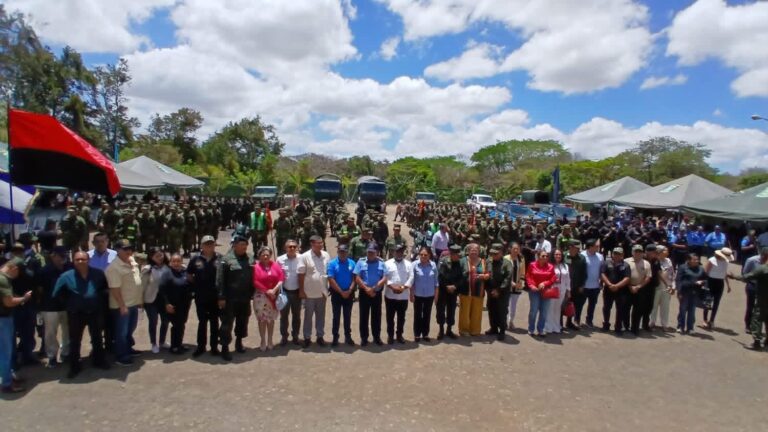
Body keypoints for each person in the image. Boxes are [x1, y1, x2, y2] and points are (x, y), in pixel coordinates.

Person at [52, 252, 110, 379]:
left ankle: (99, 361)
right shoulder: (66, 276)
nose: (80, 261)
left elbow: (105, 289)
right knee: (75, 341)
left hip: (94, 312)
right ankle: (75, 366)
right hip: (76, 314)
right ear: (73, 261)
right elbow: (57, 294)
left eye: (83, 259)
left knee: (97, 338)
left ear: (88, 260)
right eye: (77, 259)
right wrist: (70, 304)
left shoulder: (98, 273)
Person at [105, 239, 144, 366]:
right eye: (125, 249)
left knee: (130, 329)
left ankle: (128, 349)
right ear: (117, 250)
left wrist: (139, 300)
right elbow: (115, 289)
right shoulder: (114, 267)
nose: (129, 251)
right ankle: (121, 356)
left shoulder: (131, 260)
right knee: (121, 332)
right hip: (122, 306)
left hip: (133, 303)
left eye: (130, 248)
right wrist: (122, 306)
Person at [217, 236, 255, 361]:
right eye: (241, 244)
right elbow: (220, 279)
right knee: (227, 323)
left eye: (245, 244)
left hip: (244, 297)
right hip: (230, 298)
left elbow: (254, 276)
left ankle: (239, 342)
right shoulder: (226, 259)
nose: (243, 247)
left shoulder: (250, 258)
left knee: (243, 321)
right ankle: (225, 348)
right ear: (234, 245)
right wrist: (221, 297)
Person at [1, 258, 32, 393]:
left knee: (6, 351)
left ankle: (9, 377)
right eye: (19, 271)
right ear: (13, 268)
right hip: (2, 319)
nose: (18, 276)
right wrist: (24, 298)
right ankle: (7, 384)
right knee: (5, 353)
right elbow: (8, 302)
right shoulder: (3, 280)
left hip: (4, 318)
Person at [187, 235, 221, 357]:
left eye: (211, 244)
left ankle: (214, 347)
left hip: (215, 296)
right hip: (201, 296)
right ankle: (201, 347)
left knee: (214, 322)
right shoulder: (195, 259)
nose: (209, 246)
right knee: (202, 322)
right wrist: (195, 287)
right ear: (201, 246)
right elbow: (189, 274)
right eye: (206, 244)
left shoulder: (219, 258)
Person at [38, 246, 71, 368]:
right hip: (49, 307)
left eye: (65, 255)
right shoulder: (44, 271)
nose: (63, 258)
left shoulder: (70, 268)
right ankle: (52, 357)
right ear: (53, 256)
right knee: (50, 333)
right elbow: (40, 290)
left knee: (68, 331)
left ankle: (66, 354)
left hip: (67, 305)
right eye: (61, 255)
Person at [728, 247, 768, 350]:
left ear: (764, 256)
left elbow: (746, 276)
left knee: (757, 319)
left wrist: (734, 276)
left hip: (763, 299)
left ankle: (757, 343)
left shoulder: (763, 269)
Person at [298, 235, 331, 348]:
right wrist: (301, 291)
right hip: (309, 293)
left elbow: (328, 272)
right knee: (308, 316)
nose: (321, 245)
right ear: (312, 244)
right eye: (318, 243)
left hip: (322, 292)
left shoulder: (326, 255)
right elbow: (301, 275)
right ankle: (307, 337)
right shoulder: (304, 256)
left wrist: (328, 287)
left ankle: (320, 336)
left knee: (321, 316)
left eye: (322, 243)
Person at [88, 232, 117, 352]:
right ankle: (96, 346)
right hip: (95, 292)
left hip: (111, 291)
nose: (100, 244)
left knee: (111, 319)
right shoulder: (87, 256)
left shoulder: (115, 255)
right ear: (93, 243)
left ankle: (110, 344)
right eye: (97, 242)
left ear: (107, 242)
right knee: (96, 322)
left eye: (103, 241)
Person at [252, 246, 284, 352]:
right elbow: (255, 281)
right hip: (261, 297)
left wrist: (274, 290)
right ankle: (263, 340)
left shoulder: (275, 265)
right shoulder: (256, 267)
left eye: (267, 254)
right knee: (262, 320)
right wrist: (267, 291)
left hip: (273, 296)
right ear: (259, 256)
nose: (265, 256)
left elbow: (281, 278)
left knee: (271, 320)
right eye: (263, 254)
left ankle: (270, 340)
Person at [354, 243, 386, 346]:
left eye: (372, 252)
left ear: (377, 252)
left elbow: (385, 277)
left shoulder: (382, 262)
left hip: (376, 293)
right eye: (368, 252)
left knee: (376, 316)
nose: (370, 254)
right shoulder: (361, 261)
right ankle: (364, 338)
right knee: (364, 316)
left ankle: (376, 337)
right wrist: (366, 289)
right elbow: (357, 277)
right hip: (364, 292)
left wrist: (374, 288)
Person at [140, 248, 169, 354]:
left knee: (165, 321)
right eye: (156, 256)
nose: (160, 258)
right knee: (153, 322)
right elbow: (142, 286)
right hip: (151, 300)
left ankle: (162, 341)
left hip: (164, 300)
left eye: (161, 255)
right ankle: (153, 343)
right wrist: (141, 301)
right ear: (151, 257)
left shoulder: (167, 267)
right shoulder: (147, 269)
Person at [328, 244, 356, 346]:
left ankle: (348, 336)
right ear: (338, 252)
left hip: (349, 293)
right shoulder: (332, 263)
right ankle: (335, 337)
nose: (342, 253)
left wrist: (349, 290)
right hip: (337, 294)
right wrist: (341, 292)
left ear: (347, 252)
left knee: (347, 316)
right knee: (336, 316)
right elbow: (331, 279)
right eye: (340, 251)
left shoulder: (352, 263)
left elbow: (354, 278)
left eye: (344, 251)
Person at [384, 244, 412, 344]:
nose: (399, 253)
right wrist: (392, 287)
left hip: (403, 296)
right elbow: (384, 278)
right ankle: (390, 336)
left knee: (401, 317)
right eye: (397, 251)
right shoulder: (387, 264)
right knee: (390, 317)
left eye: (401, 251)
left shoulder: (409, 264)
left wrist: (403, 288)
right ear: (393, 252)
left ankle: (399, 335)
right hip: (390, 295)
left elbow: (411, 278)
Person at [458, 243, 488, 337]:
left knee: (477, 311)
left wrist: (484, 276)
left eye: (476, 250)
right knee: (464, 311)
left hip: (479, 291)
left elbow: (488, 273)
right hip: (465, 290)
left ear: (479, 252)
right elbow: (458, 274)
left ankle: (475, 330)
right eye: (472, 250)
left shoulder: (483, 262)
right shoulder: (462, 261)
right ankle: (464, 330)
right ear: (468, 251)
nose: (474, 252)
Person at [277, 239, 302, 346]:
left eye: (294, 246)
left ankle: (295, 335)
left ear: (297, 248)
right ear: (285, 248)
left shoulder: (302, 258)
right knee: (284, 316)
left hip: (297, 292)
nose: (292, 248)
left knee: (296, 316)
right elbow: (276, 275)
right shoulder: (279, 260)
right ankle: (284, 336)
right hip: (285, 292)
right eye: (289, 247)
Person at [526, 250, 556, 337]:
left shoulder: (551, 266)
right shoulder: (532, 265)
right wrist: (531, 286)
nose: (545, 258)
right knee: (534, 311)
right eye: (543, 256)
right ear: (538, 256)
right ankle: (531, 329)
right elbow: (528, 276)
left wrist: (545, 283)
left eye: (546, 256)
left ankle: (541, 329)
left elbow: (553, 278)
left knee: (544, 312)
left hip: (546, 291)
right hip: (534, 291)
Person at [411, 246, 439, 342]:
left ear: (429, 255)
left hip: (429, 295)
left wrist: (436, 295)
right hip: (418, 294)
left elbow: (436, 282)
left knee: (427, 314)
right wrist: (411, 294)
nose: (423, 256)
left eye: (425, 255)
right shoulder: (414, 265)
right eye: (421, 254)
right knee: (417, 314)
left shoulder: (433, 265)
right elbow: (412, 281)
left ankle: (425, 334)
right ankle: (417, 334)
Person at [600, 247, 631, 334]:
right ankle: (606, 324)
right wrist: (609, 284)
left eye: (619, 254)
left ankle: (618, 327)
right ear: (612, 254)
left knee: (620, 309)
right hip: (608, 289)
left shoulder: (626, 265)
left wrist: (616, 286)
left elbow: (627, 278)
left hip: (621, 290)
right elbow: (602, 274)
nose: (617, 255)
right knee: (606, 308)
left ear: (622, 255)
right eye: (615, 253)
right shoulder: (606, 263)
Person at [485, 243, 512, 340]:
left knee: (502, 311)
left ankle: (502, 331)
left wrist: (499, 290)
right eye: (492, 253)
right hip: (491, 291)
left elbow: (507, 279)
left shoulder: (507, 263)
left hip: (502, 292)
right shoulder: (488, 261)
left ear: (501, 253)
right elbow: (487, 275)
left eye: (496, 254)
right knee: (491, 310)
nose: (493, 256)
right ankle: (493, 328)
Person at [702, 247, 733, 330]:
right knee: (708, 301)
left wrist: (728, 284)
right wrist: (703, 282)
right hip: (710, 281)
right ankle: (705, 319)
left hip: (720, 282)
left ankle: (712, 320)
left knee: (716, 303)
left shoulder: (726, 262)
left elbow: (724, 273)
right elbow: (705, 271)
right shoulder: (712, 260)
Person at [675, 253, 706, 334]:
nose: (696, 261)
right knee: (683, 309)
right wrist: (679, 291)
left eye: (697, 259)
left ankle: (690, 328)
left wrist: (702, 281)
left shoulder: (701, 269)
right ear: (689, 260)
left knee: (692, 311)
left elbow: (706, 279)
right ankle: (680, 326)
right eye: (694, 259)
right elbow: (678, 280)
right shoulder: (683, 267)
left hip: (695, 292)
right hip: (684, 292)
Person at [436, 244, 462, 340]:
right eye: (454, 254)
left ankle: (449, 330)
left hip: (453, 291)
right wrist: (447, 286)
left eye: (457, 254)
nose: (456, 256)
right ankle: (441, 330)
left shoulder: (460, 263)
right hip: (443, 290)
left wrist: (455, 286)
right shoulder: (444, 261)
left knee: (451, 310)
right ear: (450, 253)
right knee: (441, 310)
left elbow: (461, 277)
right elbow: (441, 275)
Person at [625, 244, 651, 336]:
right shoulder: (626, 261)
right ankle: (626, 326)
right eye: (636, 251)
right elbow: (623, 276)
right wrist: (630, 286)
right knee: (626, 308)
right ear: (632, 252)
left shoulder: (646, 263)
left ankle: (635, 328)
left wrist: (638, 287)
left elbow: (648, 277)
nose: (638, 253)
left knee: (638, 310)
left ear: (643, 253)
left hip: (640, 289)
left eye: (640, 251)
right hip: (627, 288)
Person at [578, 239, 603, 328]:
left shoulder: (600, 256)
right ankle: (577, 320)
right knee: (580, 304)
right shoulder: (581, 255)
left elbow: (601, 271)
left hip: (595, 286)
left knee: (592, 305)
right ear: (590, 247)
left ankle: (589, 321)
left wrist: (601, 283)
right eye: (596, 246)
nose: (598, 247)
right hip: (584, 286)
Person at [650, 245, 675, 331]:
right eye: (665, 250)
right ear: (659, 252)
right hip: (656, 286)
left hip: (667, 286)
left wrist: (673, 286)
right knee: (654, 305)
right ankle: (651, 323)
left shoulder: (668, 261)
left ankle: (664, 324)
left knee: (665, 306)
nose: (667, 252)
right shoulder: (654, 261)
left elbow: (672, 273)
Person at [544, 249, 569, 334]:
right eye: (556, 254)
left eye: (559, 254)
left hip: (562, 290)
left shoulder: (565, 266)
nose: (558, 256)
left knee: (558, 309)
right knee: (550, 308)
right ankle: (548, 327)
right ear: (552, 255)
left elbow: (568, 279)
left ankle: (556, 326)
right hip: (552, 288)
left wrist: (568, 290)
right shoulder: (549, 265)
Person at [564, 241, 586, 330]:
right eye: (572, 248)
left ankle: (570, 322)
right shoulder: (564, 255)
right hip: (565, 285)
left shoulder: (582, 258)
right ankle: (559, 323)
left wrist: (582, 285)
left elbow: (584, 273)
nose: (574, 250)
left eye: (576, 249)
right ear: (569, 247)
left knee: (575, 304)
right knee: (562, 304)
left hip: (576, 285)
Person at [504, 242, 526, 330]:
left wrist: (521, 281)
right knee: (506, 305)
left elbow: (523, 272)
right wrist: (509, 282)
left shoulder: (521, 258)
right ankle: (504, 322)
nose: (516, 250)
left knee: (513, 305)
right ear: (510, 249)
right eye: (514, 249)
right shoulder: (505, 258)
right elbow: (503, 273)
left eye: (518, 249)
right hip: (507, 286)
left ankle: (511, 321)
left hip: (517, 286)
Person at [742, 252, 762, 334]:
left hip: (763, 287)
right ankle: (748, 325)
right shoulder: (752, 260)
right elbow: (745, 273)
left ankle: (757, 327)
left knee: (761, 308)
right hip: (752, 285)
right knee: (750, 306)